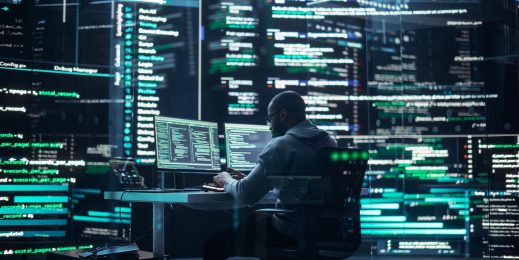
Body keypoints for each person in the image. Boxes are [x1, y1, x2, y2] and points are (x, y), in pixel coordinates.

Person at [203, 91, 337, 260]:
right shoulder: (328, 142)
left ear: (283, 114)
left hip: (289, 233)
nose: (269, 125)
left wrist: (227, 181)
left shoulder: (281, 144)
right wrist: (250, 179)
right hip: (329, 232)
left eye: (269, 118)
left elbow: (247, 194)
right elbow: (306, 186)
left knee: (213, 245)